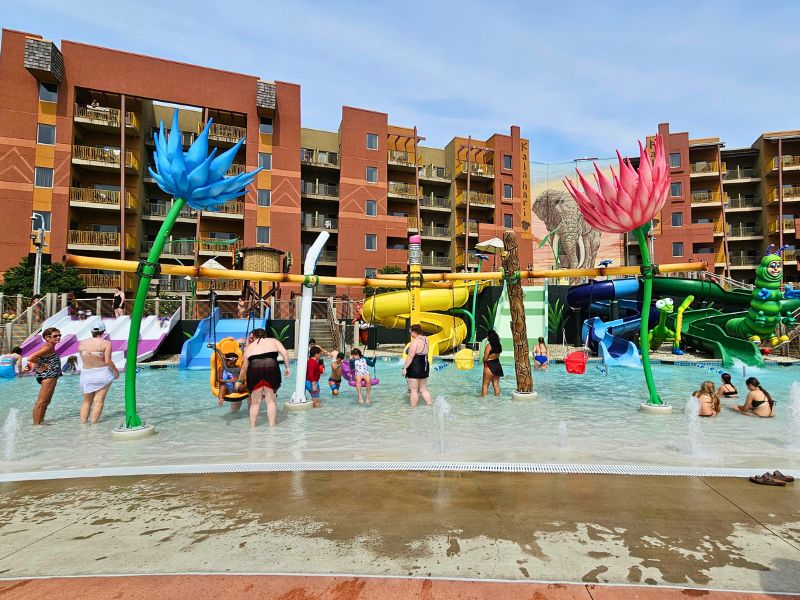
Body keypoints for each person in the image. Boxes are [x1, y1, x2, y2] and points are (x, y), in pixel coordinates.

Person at [239, 328, 290, 427]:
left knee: (255, 403)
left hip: (254, 371)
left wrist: (239, 380)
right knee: (271, 402)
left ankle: (252, 428)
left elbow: (244, 367)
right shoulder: (273, 341)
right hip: (271, 370)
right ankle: (272, 427)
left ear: (254, 336)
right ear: (265, 335)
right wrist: (287, 367)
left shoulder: (249, 347)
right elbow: (285, 353)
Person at [78, 323, 119, 423]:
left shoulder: (82, 343)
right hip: (101, 373)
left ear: (91, 331)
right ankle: (94, 426)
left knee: (87, 401)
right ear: (103, 331)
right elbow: (107, 361)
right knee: (99, 400)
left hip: (86, 373)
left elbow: (83, 357)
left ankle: (83, 425)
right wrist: (116, 372)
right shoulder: (106, 344)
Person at [26, 327, 63, 425]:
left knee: (46, 402)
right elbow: (30, 358)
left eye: (59, 335)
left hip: (50, 376)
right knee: (41, 402)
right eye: (55, 336)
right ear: (47, 338)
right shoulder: (47, 347)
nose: (58, 337)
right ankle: (37, 425)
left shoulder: (50, 347)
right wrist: (43, 365)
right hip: (48, 376)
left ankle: (40, 422)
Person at [403, 324, 432, 407]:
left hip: (415, 365)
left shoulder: (414, 342)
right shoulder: (426, 339)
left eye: (411, 332)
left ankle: (413, 410)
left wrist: (405, 368)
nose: (410, 334)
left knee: (413, 390)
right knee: (423, 389)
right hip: (425, 365)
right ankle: (429, 406)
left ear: (415, 332)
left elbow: (410, 356)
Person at [481, 330, 504, 397]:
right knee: (496, 385)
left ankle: (483, 401)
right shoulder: (499, 345)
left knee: (485, 385)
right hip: (497, 365)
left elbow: (485, 358)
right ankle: (497, 400)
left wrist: (483, 359)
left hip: (489, 366)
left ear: (489, 337)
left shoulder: (488, 346)